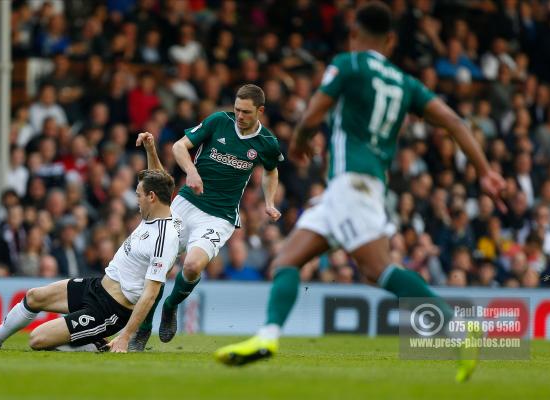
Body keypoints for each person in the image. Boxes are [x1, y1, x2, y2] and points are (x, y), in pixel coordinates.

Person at [214, 2, 505, 383]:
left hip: (352, 185)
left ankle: (455, 329)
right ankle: (268, 336)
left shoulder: (348, 65)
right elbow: (452, 120)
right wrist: (484, 171)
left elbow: (314, 113)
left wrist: (301, 139)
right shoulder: (405, 82)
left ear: (354, 34)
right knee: (286, 261)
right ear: (389, 40)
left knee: (378, 270)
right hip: (357, 188)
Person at [0, 132, 180, 353]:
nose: (137, 201)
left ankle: (95, 344)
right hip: (97, 286)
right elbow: (161, 182)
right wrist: (151, 149)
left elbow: (151, 293)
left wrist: (125, 337)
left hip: (111, 310)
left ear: (152, 197)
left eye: (139, 196)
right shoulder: (156, 213)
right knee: (34, 296)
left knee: (37, 340)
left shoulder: (165, 238)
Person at [128, 84, 283, 351]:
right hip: (187, 202)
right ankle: (143, 327)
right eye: (236, 109)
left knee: (191, 266)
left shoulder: (267, 142)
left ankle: (171, 305)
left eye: (246, 112)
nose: (239, 116)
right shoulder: (218, 122)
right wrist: (191, 171)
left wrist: (269, 201)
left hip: (220, 216)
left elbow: (271, 171)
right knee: (158, 263)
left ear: (260, 111)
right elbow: (179, 147)